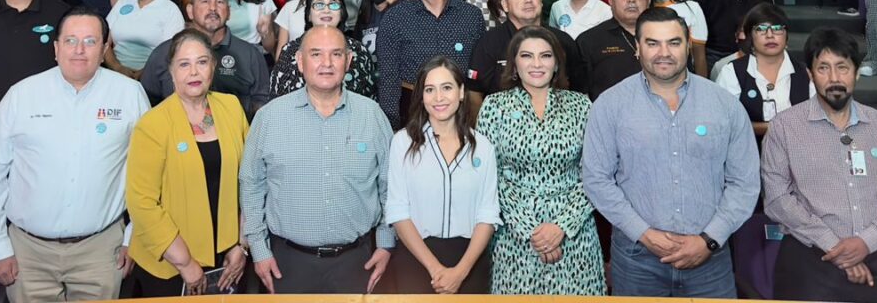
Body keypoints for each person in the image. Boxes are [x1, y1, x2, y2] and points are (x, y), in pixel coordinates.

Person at [583, 7, 760, 298]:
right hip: (637, 259)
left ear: (688, 44)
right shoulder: (610, 105)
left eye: (673, 42)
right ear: (637, 47)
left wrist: (709, 240)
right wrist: (644, 234)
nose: (663, 53)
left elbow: (745, 182)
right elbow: (596, 179)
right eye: (652, 43)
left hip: (710, 259)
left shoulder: (724, 105)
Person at [0, 8, 149, 302]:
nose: (79, 50)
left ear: (104, 49)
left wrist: (133, 237)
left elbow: (146, 174)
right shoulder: (21, 95)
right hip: (27, 253)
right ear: (56, 48)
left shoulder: (130, 94)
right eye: (71, 40)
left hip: (101, 251)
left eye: (90, 41)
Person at [763, 28, 877, 301]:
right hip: (813, 257)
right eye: (823, 68)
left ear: (856, 73)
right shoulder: (784, 128)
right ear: (810, 74)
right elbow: (777, 199)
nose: (834, 78)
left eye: (843, 67)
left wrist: (865, 242)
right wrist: (836, 247)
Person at [239, 26, 394, 294]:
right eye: (316, 54)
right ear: (300, 62)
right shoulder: (270, 117)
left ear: (348, 61)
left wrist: (386, 242)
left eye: (336, 54)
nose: (326, 63)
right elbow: (251, 184)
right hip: (287, 263)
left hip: (358, 261)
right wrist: (259, 250)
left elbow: (390, 185)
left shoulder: (372, 115)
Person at [476, 26, 605, 294]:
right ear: (514, 65)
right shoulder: (494, 106)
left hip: (575, 234)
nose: (537, 64)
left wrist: (561, 226)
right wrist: (531, 230)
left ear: (556, 63)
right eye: (527, 56)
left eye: (545, 56)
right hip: (515, 235)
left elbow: (595, 174)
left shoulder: (582, 106)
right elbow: (488, 177)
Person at [125, 30, 250, 296]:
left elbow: (250, 180)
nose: (194, 72)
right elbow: (141, 202)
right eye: (184, 64)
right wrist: (185, 263)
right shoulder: (152, 124)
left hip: (227, 258)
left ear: (213, 66)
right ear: (171, 71)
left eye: (202, 62)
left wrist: (241, 244)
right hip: (169, 266)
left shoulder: (231, 107)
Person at [387, 56, 499, 294]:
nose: (438, 97)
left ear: (461, 92)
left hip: (469, 262)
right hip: (416, 260)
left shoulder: (483, 147)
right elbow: (398, 211)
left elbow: (487, 214)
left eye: (447, 87)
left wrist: (460, 272)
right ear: (421, 96)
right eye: (430, 89)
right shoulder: (402, 143)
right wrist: (435, 269)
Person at [377, 0, 487, 125]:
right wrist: (392, 125)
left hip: (462, 113)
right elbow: (388, 78)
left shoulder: (470, 16)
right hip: (412, 111)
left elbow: (479, 74)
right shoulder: (395, 17)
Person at [140, 0, 270, 114]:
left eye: (220, 2)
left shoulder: (250, 55)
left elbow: (263, 103)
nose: (213, 8)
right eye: (205, 1)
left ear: (229, 12)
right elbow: (145, 103)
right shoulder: (164, 53)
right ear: (190, 11)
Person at [467, 0, 588, 107]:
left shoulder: (563, 41)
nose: (528, 0)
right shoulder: (489, 43)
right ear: (505, 5)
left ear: (541, 0)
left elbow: (579, 88)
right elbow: (474, 92)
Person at [269, 0, 378, 100]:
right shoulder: (290, 51)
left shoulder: (359, 51)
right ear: (309, 14)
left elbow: (371, 99)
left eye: (333, 5)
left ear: (341, 13)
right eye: (319, 5)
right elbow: (276, 100)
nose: (326, 10)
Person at [715, 3, 811, 137]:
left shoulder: (805, 73)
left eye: (777, 28)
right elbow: (724, 122)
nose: (770, 35)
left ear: (786, 35)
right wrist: (771, 128)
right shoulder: (731, 73)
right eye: (761, 29)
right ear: (750, 36)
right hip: (748, 148)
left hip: (799, 147)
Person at [105, 0, 185, 80]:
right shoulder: (123, 3)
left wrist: (143, 74)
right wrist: (117, 67)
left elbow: (170, 53)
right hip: (114, 72)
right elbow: (104, 42)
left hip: (153, 76)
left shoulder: (170, 10)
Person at [575, 0, 649, 100]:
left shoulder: (666, 35)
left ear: (648, 1)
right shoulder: (588, 41)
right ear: (610, 1)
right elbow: (579, 93)